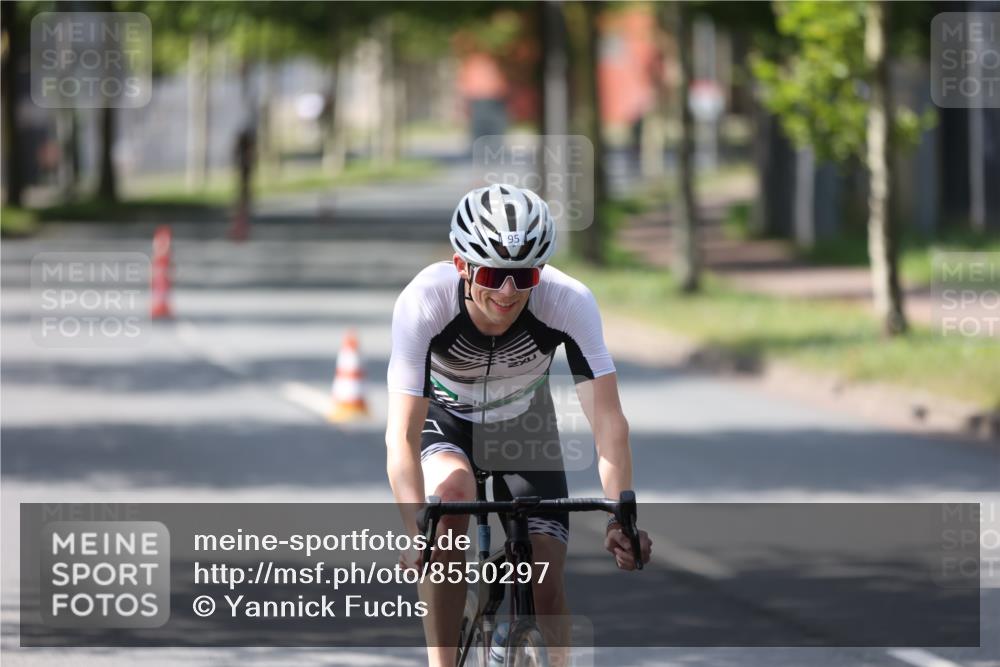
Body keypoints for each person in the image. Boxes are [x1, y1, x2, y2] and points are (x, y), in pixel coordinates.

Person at [385, 183, 652, 666]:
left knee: (546, 585)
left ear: (541, 271)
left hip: (523, 426)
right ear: (461, 265)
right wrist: (415, 533)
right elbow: (402, 435)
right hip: (446, 420)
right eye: (492, 274)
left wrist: (620, 516)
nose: (508, 292)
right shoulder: (425, 301)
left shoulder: (568, 302)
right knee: (451, 504)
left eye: (524, 275)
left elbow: (609, 422)